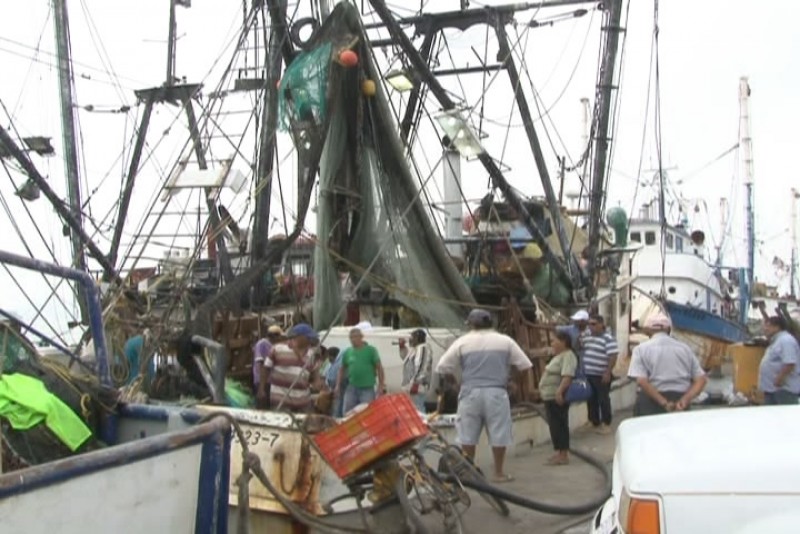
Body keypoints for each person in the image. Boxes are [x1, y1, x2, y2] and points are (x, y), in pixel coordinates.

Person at [436, 308, 534, 483]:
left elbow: (443, 367)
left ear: (472, 324)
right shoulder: (505, 341)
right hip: (497, 393)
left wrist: (458, 383)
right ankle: (498, 473)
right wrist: (513, 382)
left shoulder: (463, 342)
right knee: (499, 433)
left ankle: (469, 473)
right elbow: (525, 366)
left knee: (468, 435)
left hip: (469, 393)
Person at [627, 313, 707, 416]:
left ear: (648, 331)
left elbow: (642, 381)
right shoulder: (684, 349)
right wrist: (685, 400)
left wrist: (664, 403)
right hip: (680, 400)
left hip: (650, 402)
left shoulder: (640, 350)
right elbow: (701, 379)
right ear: (669, 329)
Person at [257, 323, 319, 412]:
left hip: (303, 403)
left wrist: (317, 382)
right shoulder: (277, 349)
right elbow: (266, 368)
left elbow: (313, 375)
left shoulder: (311, 354)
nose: (310, 340)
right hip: (281, 402)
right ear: (299, 337)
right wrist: (261, 388)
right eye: (308, 338)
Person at [538, 330, 578, 466]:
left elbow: (567, 376)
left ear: (563, 342)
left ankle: (563, 455)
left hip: (556, 396)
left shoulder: (568, 356)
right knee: (555, 425)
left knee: (559, 425)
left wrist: (559, 392)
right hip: (549, 396)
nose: (552, 343)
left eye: (555, 341)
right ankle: (559, 452)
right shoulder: (559, 356)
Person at [582, 314, 619, 434]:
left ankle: (606, 423)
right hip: (589, 373)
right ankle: (594, 421)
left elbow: (613, 356)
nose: (591, 327)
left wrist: (607, 372)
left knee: (603, 399)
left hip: (601, 374)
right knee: (591, 398)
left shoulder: (608, 338)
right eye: (589, 324)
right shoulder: (586, 337)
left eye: (593, 324)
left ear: (601, 324)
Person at [336, 328, 385, 414]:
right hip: (352, 387)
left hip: (367, 389)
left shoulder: (371, 351)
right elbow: (341, 369)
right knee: (347, 413)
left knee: (367, 413)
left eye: (355, 337)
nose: (353, 340)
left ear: (361, 337)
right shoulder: (348, 352)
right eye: (351, 337)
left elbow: (379, 368)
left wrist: (381, 386)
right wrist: (337, 385)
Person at [758, 316, 800, 405]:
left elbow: (790, 362)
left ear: (777, 327)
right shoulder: (776, 341)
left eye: (768, 326)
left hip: (784, 390)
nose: (765, 329)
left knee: (786, 417)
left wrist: (779, 379)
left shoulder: (786, 340)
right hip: (772, 389)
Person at [399, 329, 433, 412]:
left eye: (412, 337)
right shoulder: (415, 349)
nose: (409, 340)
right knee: (411, 410)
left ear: (417, 338)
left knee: (417, 409)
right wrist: (402, 347)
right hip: (410, 386)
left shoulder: (423, 348)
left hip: (417, 386)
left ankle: (421, 424)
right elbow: (406, 360)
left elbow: (422, 366)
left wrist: (415, 383)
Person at [252, 325, 284, 393]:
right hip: (261, 380)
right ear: (274, 336)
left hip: (271, 381)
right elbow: (259, 363)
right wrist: (262, 383)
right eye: (279, 336)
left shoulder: (274, 345)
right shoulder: (262, 344)